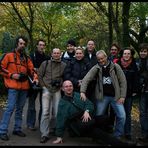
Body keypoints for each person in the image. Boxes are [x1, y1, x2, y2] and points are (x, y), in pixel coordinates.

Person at [52, 80, 136, 146]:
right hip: (79, 126)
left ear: (73, 87)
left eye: (70, 86)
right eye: (66, 86)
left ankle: (98, 138)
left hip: (88, 118)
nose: (69, 88)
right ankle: (123, 145)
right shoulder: (62, 103)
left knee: (105, 118)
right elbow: (60, 120)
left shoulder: (78, 95)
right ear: (62, 89)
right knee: (100, 133)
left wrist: (87, 111)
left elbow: (90, 104)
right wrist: (59, 136)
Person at [80, 50, 127, 139]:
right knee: (98, 116)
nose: (101, 61)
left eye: (102, 58)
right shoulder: (96, 68)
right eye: (99, 59)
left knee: (122, 116)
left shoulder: (116, 67)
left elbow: (123, 82)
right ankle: (98, 135)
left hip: (116, 97)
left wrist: (122, 96)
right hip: (102, 97)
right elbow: (86, 79)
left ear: (106, 57)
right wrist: (82, 91)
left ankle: (117, 136)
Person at [0, 36, 38, 141]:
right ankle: (2, 131)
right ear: (17, 43)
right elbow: (1, 68)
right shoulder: (8, 56)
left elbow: (32, 70)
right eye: (21, 43)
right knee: (10, 108)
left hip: (24, 87)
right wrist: (12, 75)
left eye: (24, 44)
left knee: (20, 109)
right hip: (13, 86)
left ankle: (17, 128)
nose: (22, 46)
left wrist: (35, 78)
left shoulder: (26, 58)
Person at [38, 48, 66, 143]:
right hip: (46, 89)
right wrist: (43, 87)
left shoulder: (63, 65)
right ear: (52, 54)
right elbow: (40, 75)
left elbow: (64, 77)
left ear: (60, 54)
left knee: (57, 112)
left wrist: (60, 83)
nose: (56, 55)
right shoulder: (45, 63)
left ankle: (54, 129)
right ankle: (44, 134)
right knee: (45, 112)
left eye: (58, 53)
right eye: (55, 53)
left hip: (57, 90)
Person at [26, 39, 50, 131]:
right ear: (37, 46)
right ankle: (30, 124)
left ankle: (41, 123)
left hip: (43, 84)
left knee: (43, 105)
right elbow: (29, 69)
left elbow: (48, 70)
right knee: (31, 105)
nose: (42, 46)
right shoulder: (31, 56)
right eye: (40, 45)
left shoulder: (47, 57)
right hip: (33, 84)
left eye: (43, 45)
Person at [118, 47, 139, 140]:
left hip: (129, 93)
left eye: (128, 54)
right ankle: (119, 131)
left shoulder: (134, 65)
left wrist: (135, 90)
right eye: (125, 53)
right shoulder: (118, 64)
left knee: (127, 113)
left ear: (131, 55)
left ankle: (127, 132)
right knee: (119, 113)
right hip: (118, 93)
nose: (126, 55)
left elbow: (136, 79)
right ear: (122, 54)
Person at [137, 43, 148, 143]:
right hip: (143, 91)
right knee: (143, 113)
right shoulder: (138, 62)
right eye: (141, 51)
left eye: (145, 51)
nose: (143, 53)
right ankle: (145, 134)